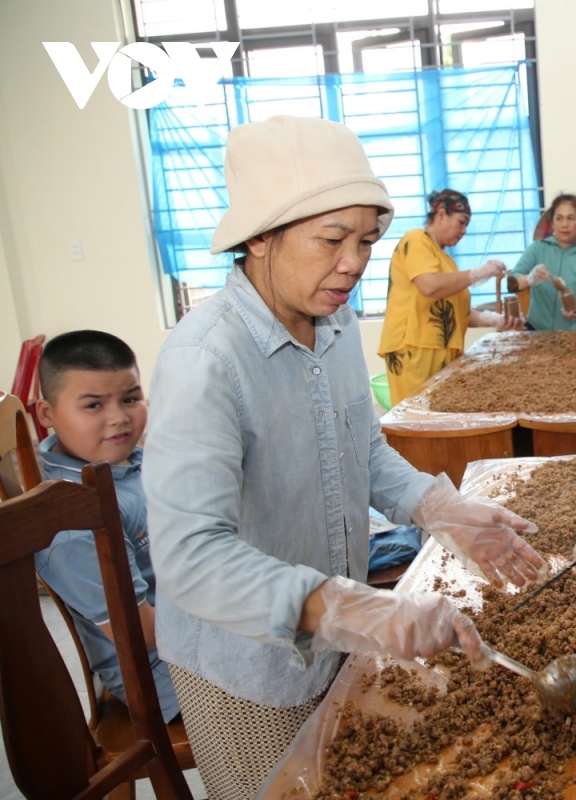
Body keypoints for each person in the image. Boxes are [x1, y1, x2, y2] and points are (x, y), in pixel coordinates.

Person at [143, 116, 547, 798]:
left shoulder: (332, 326)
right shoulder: (205, 358)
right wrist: (351, 608)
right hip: (249, 673)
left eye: (365, 241)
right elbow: (190, 558)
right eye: (333, 240)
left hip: (333, 642)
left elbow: (360, 450)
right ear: (261, 237)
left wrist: (440, 507)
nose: (355, 262)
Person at [32, 330, 179, 723]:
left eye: (131, 398)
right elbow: (141, 635)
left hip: (188, 627)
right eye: (93, 405)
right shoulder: (72, 521)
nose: (119, 418)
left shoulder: (125, 461)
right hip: (164, 678)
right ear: (46, 414)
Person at [377, 188, 524, 406]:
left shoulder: (446, 260)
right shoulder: (417, 240)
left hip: (443, 350)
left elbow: (457, 311)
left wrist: (493, 319)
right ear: (441, 214)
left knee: (439, 414)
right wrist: (477, 274)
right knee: (417, 414)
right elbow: (429, 286)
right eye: (461, 222)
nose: (464, 230)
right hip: (415, 349)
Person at [509, 193, 576, 331]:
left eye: (571, 218)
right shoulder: (537, 248)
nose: (564, 224)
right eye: (559, 218)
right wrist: (530, 278)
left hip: (574, 333)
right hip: (536, 331)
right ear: (552, 223)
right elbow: (513, 281)